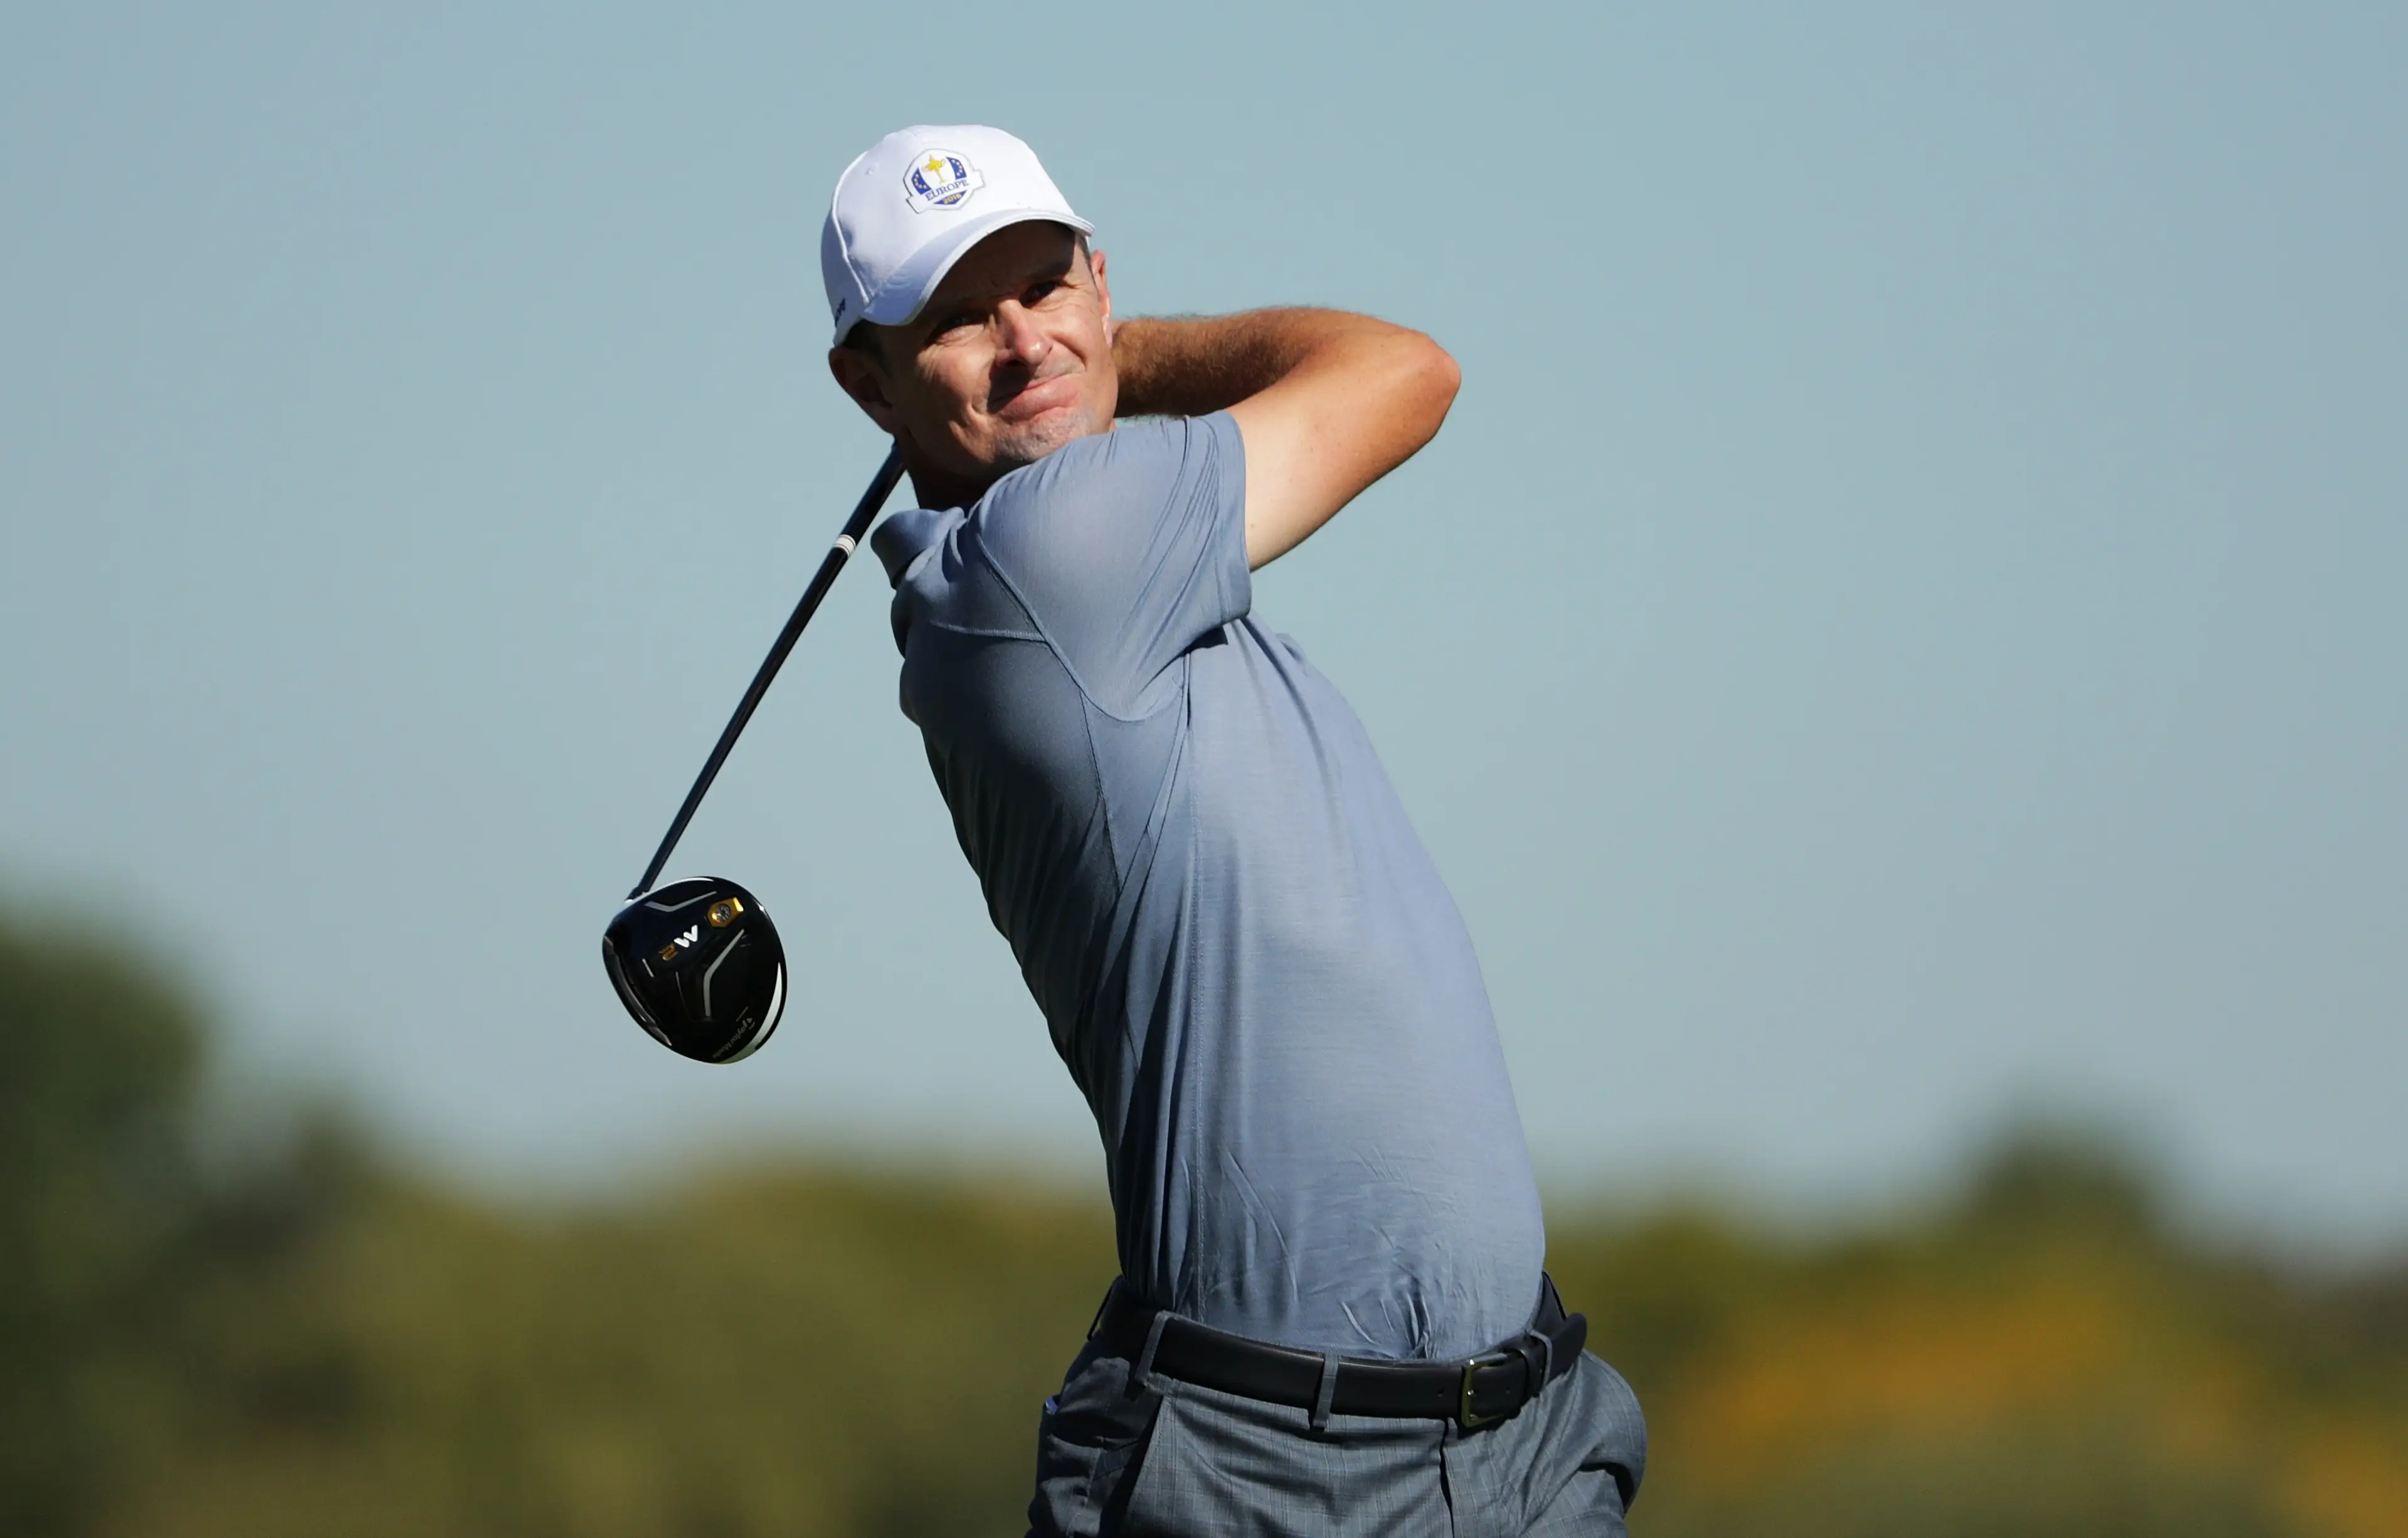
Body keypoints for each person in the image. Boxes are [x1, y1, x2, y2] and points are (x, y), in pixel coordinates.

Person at [823, 125, 1647, 1537]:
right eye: (960, 317)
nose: (1024, 340)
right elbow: (1406, 372)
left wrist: (1084, 361)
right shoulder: (1045, 560)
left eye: (1046, 286)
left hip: (1523, 1437)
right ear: (871, 382)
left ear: (1098, 275)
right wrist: (1125, 357)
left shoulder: (1122, 575)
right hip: (1268, 1473)